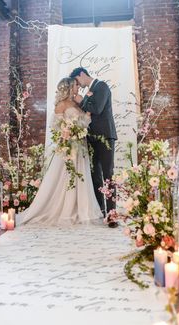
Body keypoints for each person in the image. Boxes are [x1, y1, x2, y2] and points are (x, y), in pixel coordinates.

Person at [16, 77, 102, 226]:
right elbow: (56, 127)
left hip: (80, 145)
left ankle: (81, 207)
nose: (77, 87)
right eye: (75, 85)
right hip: (68, 146)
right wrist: (68, 131)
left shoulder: (77, 103)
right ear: (69, 87)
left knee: (81, 175)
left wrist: (85, 118)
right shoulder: (61, 105)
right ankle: (66, 209)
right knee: (66, 176)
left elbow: (83, 122)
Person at [69, 67, 117, 227]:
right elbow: (87, 112)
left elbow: (97, 109)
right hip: (91, 138)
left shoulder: (101, 86)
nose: (78, 84)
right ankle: (100, 212)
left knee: (108, 175)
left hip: (105, 137)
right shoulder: (90, 91)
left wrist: (82, 100)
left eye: (77, 80)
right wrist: (85, 101)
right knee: (95, 176)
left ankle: (112, 216)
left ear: (82, 74)